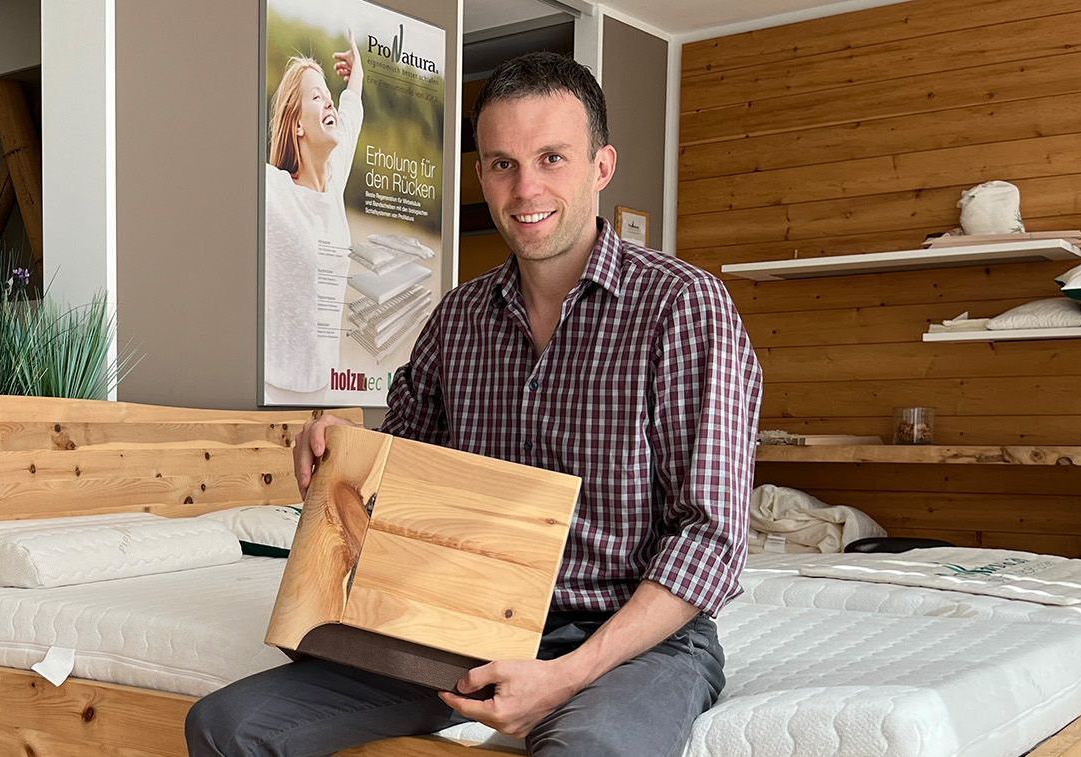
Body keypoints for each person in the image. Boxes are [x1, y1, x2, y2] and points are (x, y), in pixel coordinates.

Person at [189, 51, 763, 756]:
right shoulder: (456, 319)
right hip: (459, 619)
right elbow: (403, 481)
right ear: (482, 174)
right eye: (501, 163)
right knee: (226, 726)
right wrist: (345, 438)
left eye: (551, 158)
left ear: (601, 167)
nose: (525, 188)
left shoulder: (683, 305)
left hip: (628, 637)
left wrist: (565, 674)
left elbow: (710, 538)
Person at [263, 40, 363, 394]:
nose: (329, 101)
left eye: (328, 94)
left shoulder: (333, 187)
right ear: (298, 125)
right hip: (274, 393)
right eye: (317, 97)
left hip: (324, 392)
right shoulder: (273, 190)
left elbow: (351, 116)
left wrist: (357, 77)